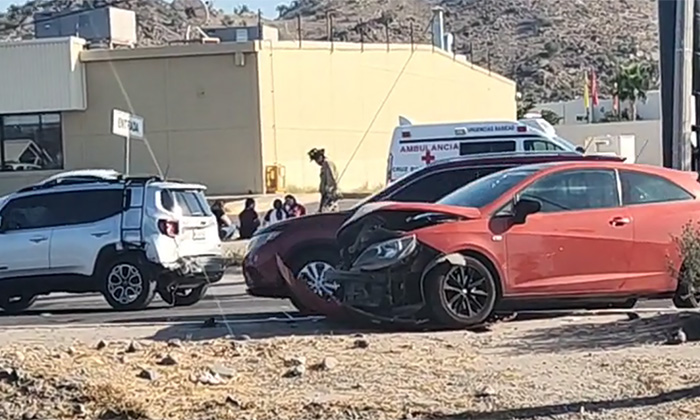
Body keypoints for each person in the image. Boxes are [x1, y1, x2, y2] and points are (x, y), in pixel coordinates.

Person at [308, 147, 340, 213]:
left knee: (327, 212)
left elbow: (331, 178)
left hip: (329, 194)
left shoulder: (327, 164)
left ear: (320, 157)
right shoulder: (324, 165)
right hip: (326, 194)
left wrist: (331, 191)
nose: (316, 162)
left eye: (316, 159)